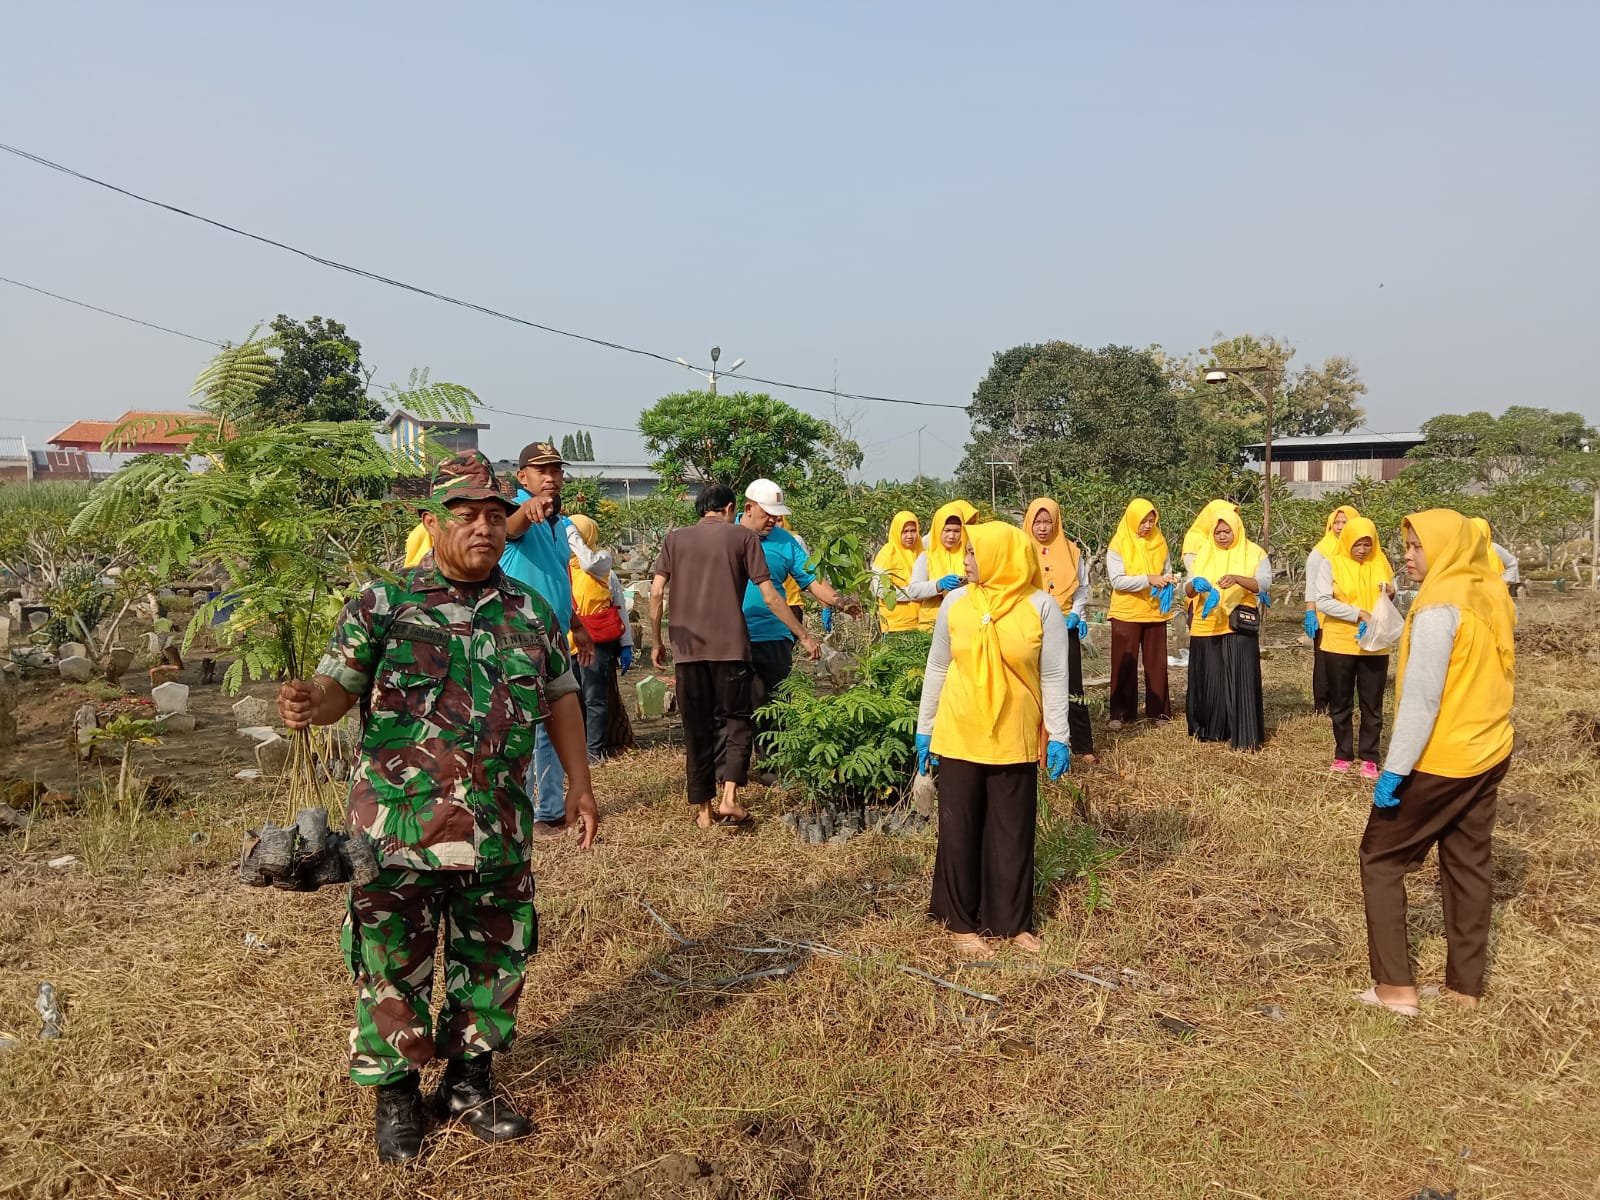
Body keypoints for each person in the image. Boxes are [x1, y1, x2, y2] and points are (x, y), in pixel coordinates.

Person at [275, 462, 599, 1165]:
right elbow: (337, 689)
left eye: (495, 515)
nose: (483, 526)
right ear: (431, 522)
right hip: (399, 831)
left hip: (498, 826)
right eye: (465, 514)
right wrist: (310, 702)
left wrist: (579, 783)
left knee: (494, 956)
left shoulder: (528, 610)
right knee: (392, 962)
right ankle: (396, 1096)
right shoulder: (384, 603)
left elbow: (562, 695)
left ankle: (468, 1083)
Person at [1357, 509, 1516, 1016]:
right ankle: (1464, 987)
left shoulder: (1437, 610)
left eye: (1417, 545)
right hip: (1489, 749)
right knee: (1468, 864)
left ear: (1446, 548)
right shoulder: (1488, 592)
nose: (1407, 555)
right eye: (1406, 544)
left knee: (1380, 858)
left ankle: (1395, 987)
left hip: (1442, 758)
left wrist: (1394, 770)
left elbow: (1421, 702)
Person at [915, 522, 1072, 959]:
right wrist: (926, 726)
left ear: (1002, 556)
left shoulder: (1040, 606)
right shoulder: (956, 602)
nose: (966, 560)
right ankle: (961, 924)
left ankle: (1011, 922)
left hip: (1015, 732)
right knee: (960, 827)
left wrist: (1059, 734)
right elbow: (938, 666)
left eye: (973, 552)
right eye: (966, 552)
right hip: (960, 728)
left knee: (1012, 829)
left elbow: (1054, 674)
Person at [650, 483, 814, 828]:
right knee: (737, 720)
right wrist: (802, 634)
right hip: (730, 648)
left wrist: (656, 640)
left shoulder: (674, 539)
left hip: (687, 651)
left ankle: (704, 811)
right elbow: (770, 596)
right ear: (729, 508)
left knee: (697, 727)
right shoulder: (743, 538)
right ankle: (729, 798)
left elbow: (656, 592)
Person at [499, 442, 608, 838]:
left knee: (552, 724)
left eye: (556, 470)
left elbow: (558, 577)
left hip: (555, 635)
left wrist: (576, 623)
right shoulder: (515, 511)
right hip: (518, 637)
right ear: (522, 477)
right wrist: (525, 510)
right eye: (541, 470)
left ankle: (548, 811)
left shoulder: (559, 524)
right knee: (523, 724)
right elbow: (511, 528)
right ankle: (519, 812)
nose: (550, 477)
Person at [738, 480, 848, 740]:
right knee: (735, 710)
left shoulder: (785, 541)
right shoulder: (726, 534)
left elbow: (811, 578)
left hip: (773, 636)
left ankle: (772, 760)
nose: (773, 521)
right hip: (732, 635)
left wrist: (840, 601)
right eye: (767, 514)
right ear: (749, 508)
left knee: (773, 709)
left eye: (776, 516)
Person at [1185, 506, 1272, 751]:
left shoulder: (1254, 553)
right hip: (1207, 623)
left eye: (1227, 531)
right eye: (1217, 532)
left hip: (1238, 623)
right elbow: (1187, 589)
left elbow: (1264, 583)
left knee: (1241, 679)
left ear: (1236, 529)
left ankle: (1244, 734)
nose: (1222, 536)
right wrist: (1194, 584)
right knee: (1210, 679)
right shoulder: (1203, 554)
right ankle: (1211, 731)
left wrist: (1237, 579)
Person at [1314, 516, 1396, 777]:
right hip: (1339, 643)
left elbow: (1392, 594)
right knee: (1341, 701)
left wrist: (1391, 592)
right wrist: (1358, 613)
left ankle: (1370, 756)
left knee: (1372, 703)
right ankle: (1343, 753)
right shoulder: (1331, 563)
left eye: (1367, 544)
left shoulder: (1381, 562)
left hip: (1374, 644)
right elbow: (1323, 601)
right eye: (1357, 544)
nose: (1362, 550)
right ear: (1347, 541)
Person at [1024, 497, 1096, 763]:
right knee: (1032, 685)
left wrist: (1077, 613)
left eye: (1048, 522)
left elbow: (1082, 588)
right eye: (1037, 522)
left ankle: (1082, 745)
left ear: (1056, 523)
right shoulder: (1021, 549)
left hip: (1065, 625)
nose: (1042, 527)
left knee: (1072, 683)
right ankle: (1034, 746)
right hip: (1030, 624)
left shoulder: (1071, 551)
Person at [566, 514, 634, 764]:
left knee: (594, 697)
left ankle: (593, 752)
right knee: (573, 700)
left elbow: (619, 607)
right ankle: (578, 749)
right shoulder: (561, 568)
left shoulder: (601, 564)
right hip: (570, 642)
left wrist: (626, 644)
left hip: (597, 641)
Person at [1105, 499, 1176, 729]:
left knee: (1157, 664)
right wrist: (1148, 579)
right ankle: (1121, 713)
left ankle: (1159, 713)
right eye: (1143, 521)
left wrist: (1168, 580)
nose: (1147, 526)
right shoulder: (1118, 543)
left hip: (1154, 611)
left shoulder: (1159, 541)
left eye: (1151, 521)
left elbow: (1166, 569)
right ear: (1132, 519)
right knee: (1124, 663)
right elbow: (1117, 580)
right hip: (1126, 612)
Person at [1303, 505, 1360, 715]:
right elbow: (1311, 585)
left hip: (1353, 615)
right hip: (1325, 616)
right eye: (1336, 522)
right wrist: (1310, 612)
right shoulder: (1320, 552)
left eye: (1345, 522)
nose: (1340, 527)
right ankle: (1322, 705)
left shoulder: (1361, 549)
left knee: (1347, 661)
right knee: (1324, 662)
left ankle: (1342, 701)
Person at [403, 450, 494, 567]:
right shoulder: (420, 534)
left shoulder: (513, 583)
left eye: (495, 517)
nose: (485, 530)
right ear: (431, 523)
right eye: (467, 516)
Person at [907, 499, 980, 629]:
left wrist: (966, 582)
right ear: (937, 529)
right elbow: (913, 591)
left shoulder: (969, 555)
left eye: (956, 531)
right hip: (931, 625)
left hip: (964, 623)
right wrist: (938, 585)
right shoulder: (926, 557)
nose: (951, 536)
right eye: (947, 530)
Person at [871, 511, 925, 635]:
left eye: (913, 531)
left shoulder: (921, 551)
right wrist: (915, 593)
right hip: (896, 625)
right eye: (905, 532)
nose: (909, 536)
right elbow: (882, 591)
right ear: (896, 532)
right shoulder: (887, 554)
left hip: (922, 622)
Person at [1469, 517, 1521, 594]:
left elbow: (1512, 563)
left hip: (1496, 593)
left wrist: (1505, 581)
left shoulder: (1494, 548)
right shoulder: (1464, 549)